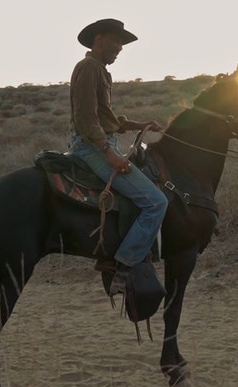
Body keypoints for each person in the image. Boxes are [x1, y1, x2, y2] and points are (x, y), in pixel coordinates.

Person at [69, 18, 168, 289]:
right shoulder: (88, 67)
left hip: (99, 143)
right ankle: (122, 265)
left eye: (121, 44)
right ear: (99, 39)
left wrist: (140, 124)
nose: (120, 48)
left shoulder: (100, 70)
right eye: (116, 41)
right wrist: (109, 154)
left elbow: (107, 118)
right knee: (156, 202)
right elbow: (86, 119)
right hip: (91, 147)